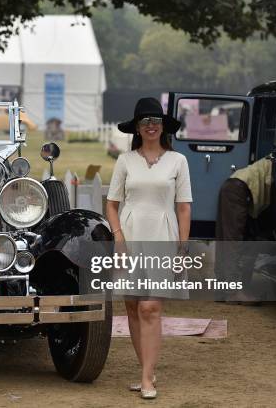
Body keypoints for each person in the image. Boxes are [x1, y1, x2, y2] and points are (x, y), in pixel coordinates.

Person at [105, 97, 192, 400]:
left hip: (163, 238)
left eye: (156, 120)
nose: (152, 126)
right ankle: (147, 370)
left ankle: (146, 379)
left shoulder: (178, 161)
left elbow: (183, 208)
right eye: (145, 121)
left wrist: (182, 249)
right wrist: (119, 239)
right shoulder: (125, 161)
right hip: (129, 238)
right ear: (138, 129)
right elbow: (112, 205)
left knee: (150, 306)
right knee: (131, 306)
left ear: (163, 126)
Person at [215, 156, 272, 303]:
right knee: (233, 242)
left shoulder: (270, 159)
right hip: (238, 190)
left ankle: (222, 291)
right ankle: (232, 292)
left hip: (229, 186)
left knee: (224, 239)